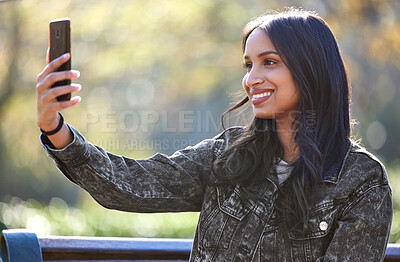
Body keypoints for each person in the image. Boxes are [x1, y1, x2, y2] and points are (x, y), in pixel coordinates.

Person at [36, 8, 392, 261]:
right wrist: (55, 127)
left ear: (311, 69)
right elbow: (129, 185)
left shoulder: (361, 182)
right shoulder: (228, 154)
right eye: (248, 65)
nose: (252, 79)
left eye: (269, 62)